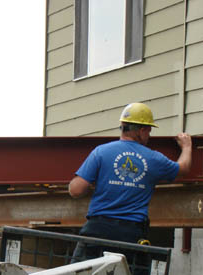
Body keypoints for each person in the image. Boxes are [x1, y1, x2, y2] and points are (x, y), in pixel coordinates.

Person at [69, 101, 192, 261]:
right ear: (141, 130)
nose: (149, 135)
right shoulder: (153, 158)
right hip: (130, 235)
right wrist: (187, 147)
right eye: (148, 131)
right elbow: (183, 168)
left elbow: (76, 190)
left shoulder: (101, 152)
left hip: (97, 231)